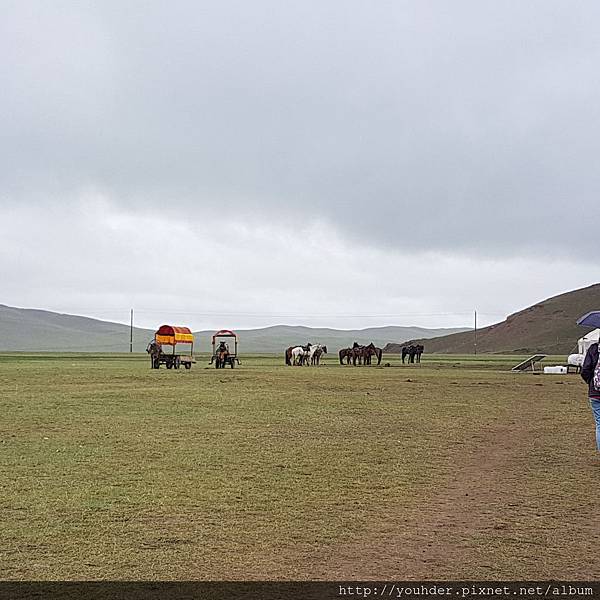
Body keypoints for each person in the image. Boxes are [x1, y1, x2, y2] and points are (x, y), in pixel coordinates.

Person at [581, 341, 600, 452]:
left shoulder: (593, 348)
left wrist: (591, 382)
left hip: (595, 393)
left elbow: (585, 370)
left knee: (599, 424)